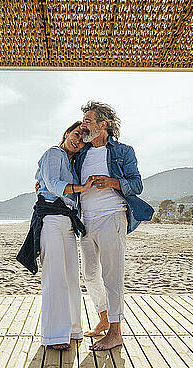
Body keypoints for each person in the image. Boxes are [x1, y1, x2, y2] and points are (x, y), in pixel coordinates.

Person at [74, 101, 154, 351]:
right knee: (89, 273)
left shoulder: (123, 152)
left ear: (103, 125)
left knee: (112, 275)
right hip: (86, 220)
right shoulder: (82, 154)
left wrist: (111, 182)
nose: (83, 125)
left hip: (112, 217)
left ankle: (116, 333)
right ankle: (104, 318)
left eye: (88, 121)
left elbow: (137, 184)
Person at [17, 121, 94, 351]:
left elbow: (50, 184)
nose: (78, 140)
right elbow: (52, 184)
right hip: (50, 219)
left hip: (67, 221)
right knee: (54, 277)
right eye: (76, 134)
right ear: (67, 132)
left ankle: (73, 329)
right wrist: (83, 187)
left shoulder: (71, 163)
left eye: (82, 140)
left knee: (71, 277)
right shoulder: (54, 153)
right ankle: (54, 336)